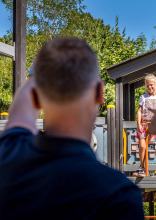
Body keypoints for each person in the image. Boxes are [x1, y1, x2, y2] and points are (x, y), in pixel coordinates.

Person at [0, 37, 144, 219]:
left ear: (37, 96)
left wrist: (43, 70)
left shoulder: (9, 152)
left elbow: (20, 110)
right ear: (99, 93)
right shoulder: (119, 195)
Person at [133, 74, 156, 177]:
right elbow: (139, 111)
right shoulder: (143, 97)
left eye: (151, 85)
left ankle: (144, 168)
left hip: (154, 125)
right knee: (142, 145)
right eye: (148, 86)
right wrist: (138, 123)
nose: (150, 87)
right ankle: (141, 167)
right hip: (143, 123)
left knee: (148, 145)